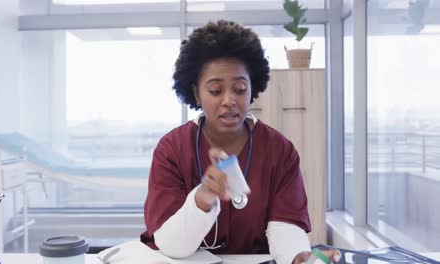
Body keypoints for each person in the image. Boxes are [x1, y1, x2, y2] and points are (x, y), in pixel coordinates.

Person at [140, 20, 340, 264]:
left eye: (240, 89)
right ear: (196, 93)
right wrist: (202, 199)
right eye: (215, 90)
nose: (229, 100)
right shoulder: (172, 149)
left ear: (252, 88)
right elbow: (170, 244)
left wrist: (297, 258)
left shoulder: (279, 150)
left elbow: (285, 227)